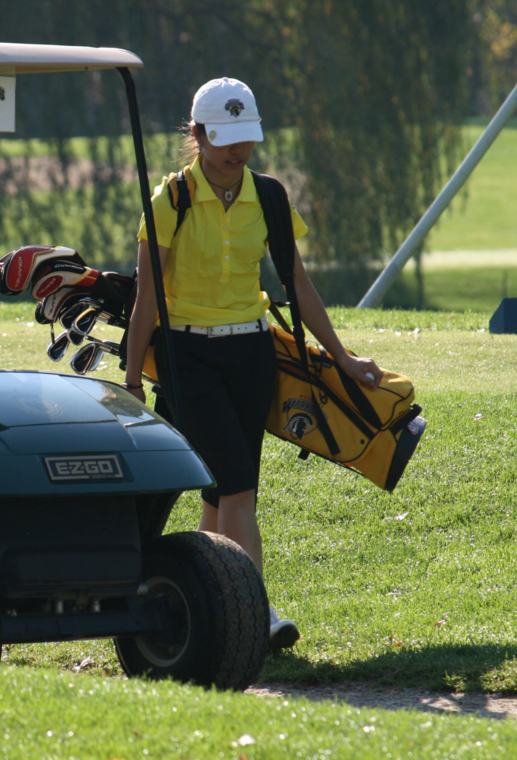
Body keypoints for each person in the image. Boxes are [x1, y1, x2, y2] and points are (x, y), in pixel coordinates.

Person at [122, 78, 382, 652]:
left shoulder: (269, 196)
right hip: (186, 356)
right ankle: (252, 614)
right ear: (197, 135)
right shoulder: (171, 200)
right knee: (236, 486)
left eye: (246, 139)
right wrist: (132, 376)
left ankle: (201, 605)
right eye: (224, 140)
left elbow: (298, 285)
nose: (237, 152)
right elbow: (148, 296)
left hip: (251, 353)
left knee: (224, 494)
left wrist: (341, 355)